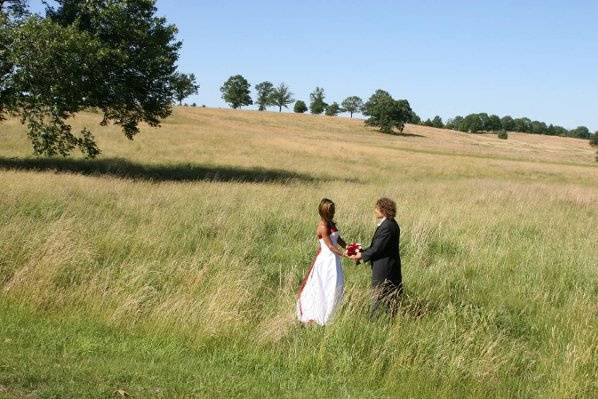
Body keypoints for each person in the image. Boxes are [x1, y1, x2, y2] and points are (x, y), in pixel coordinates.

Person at [296, 198, 348, 325]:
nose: (333, 214)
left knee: (336, 284)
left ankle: (332, 313)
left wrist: (349, 247)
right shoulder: (322, 227)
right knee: (325, 286)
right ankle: (320, 316)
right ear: (324, 212)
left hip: (334, 259)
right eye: (330, 211)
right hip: (326, 261)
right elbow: (330, 246)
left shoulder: (331, 224)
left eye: (333, 211)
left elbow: (338, 239)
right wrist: (345, 255)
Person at [349, 197, 402, 317]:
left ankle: (374, 321)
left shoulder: (387, 226)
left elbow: (377, 249)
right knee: (388, 297)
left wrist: (361, 255)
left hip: (384, 268)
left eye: (377, 208)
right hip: (388, 266)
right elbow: (378, 247)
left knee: (379, 296)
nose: (375, 210)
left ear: (383, 210)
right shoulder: (390, 223)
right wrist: (362, 251)